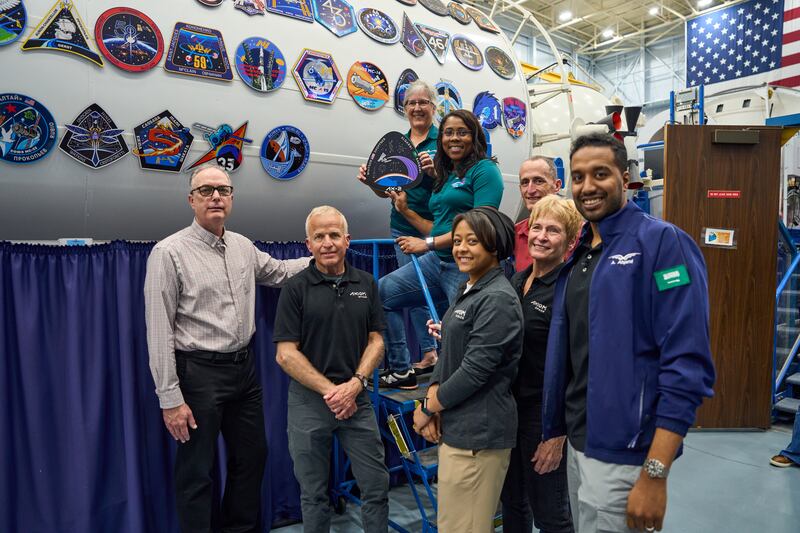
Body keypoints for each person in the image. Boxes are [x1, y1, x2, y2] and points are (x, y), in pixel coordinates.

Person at [541, 133, 716, 532]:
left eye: (600, 174)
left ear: (625, 178)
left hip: (627, 453)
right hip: (580, 443)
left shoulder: (662, 243)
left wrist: (655, 474)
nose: (587, 187)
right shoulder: (583, 254)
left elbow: (687, 364)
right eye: (579, 176)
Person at [143, 163, 310, 533]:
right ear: (192, 200)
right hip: (197, 374)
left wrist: (322, 259)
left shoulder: (243, 247)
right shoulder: (168, 253)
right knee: (196, 472)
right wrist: (170, 398)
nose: (215, 196)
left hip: (244, 372)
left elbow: (279, 273)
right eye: (206, 191)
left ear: (232, 198)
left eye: (223, 190)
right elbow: (158, 332)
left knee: (252, 458)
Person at [273, 206, 389, 533]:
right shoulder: (296, 289)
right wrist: (333, 392)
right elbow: (285, 354)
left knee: (376, 488)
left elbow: (377, 340)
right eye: (319, 236)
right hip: (309, 404)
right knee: (313, 494)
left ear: (347, 240)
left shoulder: (366, 284)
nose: (327, 243)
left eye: (334, 235)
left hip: (357, 400)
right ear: (307, 244)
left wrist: (355, 384)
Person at [412, 207, 523, 533]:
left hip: (480, 435)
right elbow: (449, 354)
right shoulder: (468, 289)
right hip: (458, 428)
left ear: (494, 246)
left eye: (471, 241)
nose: (460, 248)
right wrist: (433, 392)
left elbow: (475, 371)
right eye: (457, 240)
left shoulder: (498, 299)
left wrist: (426, 407)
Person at [378, 109, 504, 389]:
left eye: (462, 132)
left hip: (468, 269)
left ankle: (452, 396)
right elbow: (436, 226)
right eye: (448, 132)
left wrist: (428, 244)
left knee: (456, 336)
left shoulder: (485, 170)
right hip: (438, 262)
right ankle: (401, 369)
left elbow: (477, 226)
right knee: (382, 292)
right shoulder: (446, 176)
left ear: (474, 136)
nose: (454, 138)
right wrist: (406, 211)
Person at [501, 195, 582, 533]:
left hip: (543, 417)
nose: (541, 236)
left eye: (553, 230)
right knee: (513, 504)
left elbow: (577, 368)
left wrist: (556, 435)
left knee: (550, 512)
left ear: (571, 240)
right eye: (537, 227)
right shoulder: (517, 282)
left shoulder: (571, 289)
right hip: (508, 410)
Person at [357, 80, 439, 374]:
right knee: (411, 294)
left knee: (423, 293)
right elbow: (386, 191)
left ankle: (431, 354)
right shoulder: (399, 143)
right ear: (404, 109)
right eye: (411, 103)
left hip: (432, 229)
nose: (417, 108)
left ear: (433, 107)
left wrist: (435, 171)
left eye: (423, 102)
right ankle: (419, 357)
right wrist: (373, 183)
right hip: (401, 228)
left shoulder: (443, 141)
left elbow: (452, 186)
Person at [514, 156, 563, 271]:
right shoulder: (515, 233)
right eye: (525, 183)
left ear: (557, 185)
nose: (530, 190)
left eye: (539, 181)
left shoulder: (578, 233)